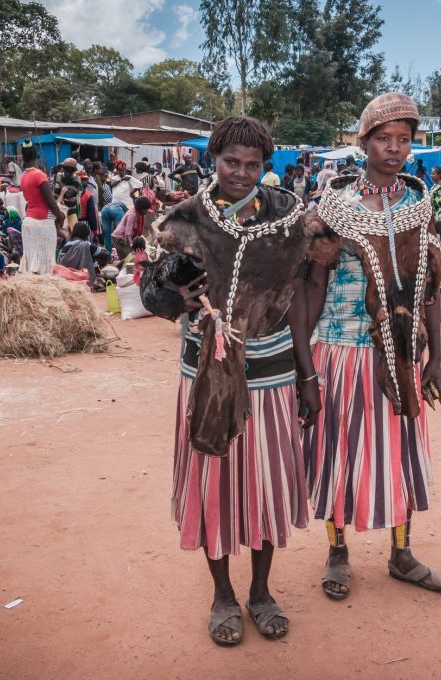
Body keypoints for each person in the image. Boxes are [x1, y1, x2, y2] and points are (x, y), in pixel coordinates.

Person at [157, 115, 318, 647]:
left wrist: (306, 372)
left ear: (266, 167)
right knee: (215, 488)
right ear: (213, 158)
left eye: (253, 165)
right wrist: (174, 296)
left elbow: (295, 300)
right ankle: (223, 594)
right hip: (205, 373)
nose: (242, 174)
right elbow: (153, 293)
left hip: (270, 374)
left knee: (266, 484)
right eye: (231, 162)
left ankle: (262, 591)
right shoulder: (186, 220)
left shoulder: (289, 220)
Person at [304, 92, 441, 602]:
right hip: (342, 350)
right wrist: (304, 363)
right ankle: (337, 553)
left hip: (404, 355)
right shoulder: (333, 207)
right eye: (384, 139)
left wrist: (436, 355)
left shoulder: (419, 204)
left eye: (404, 140)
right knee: (338, 452)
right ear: (363, 142)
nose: (395, 149)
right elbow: (314, 288)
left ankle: (402, 555)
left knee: (399, 453)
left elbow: (430, 287)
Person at [19, 141, 66, 275]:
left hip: (28, 222)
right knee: (45, 263)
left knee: (31, 261)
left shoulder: (23, 177)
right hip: (42, 223)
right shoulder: (39, 175)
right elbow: (50, 202)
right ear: (36, 157)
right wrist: (60, 216)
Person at [111, 195, 152, 261]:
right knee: (129, 259)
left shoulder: (139, 213)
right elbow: (128, 233)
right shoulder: (132, 215)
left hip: (125, 239)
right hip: (120, 239)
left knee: (129, 258)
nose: (147, 211)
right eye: (146, 209)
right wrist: (131, 245)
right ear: (141, 208)